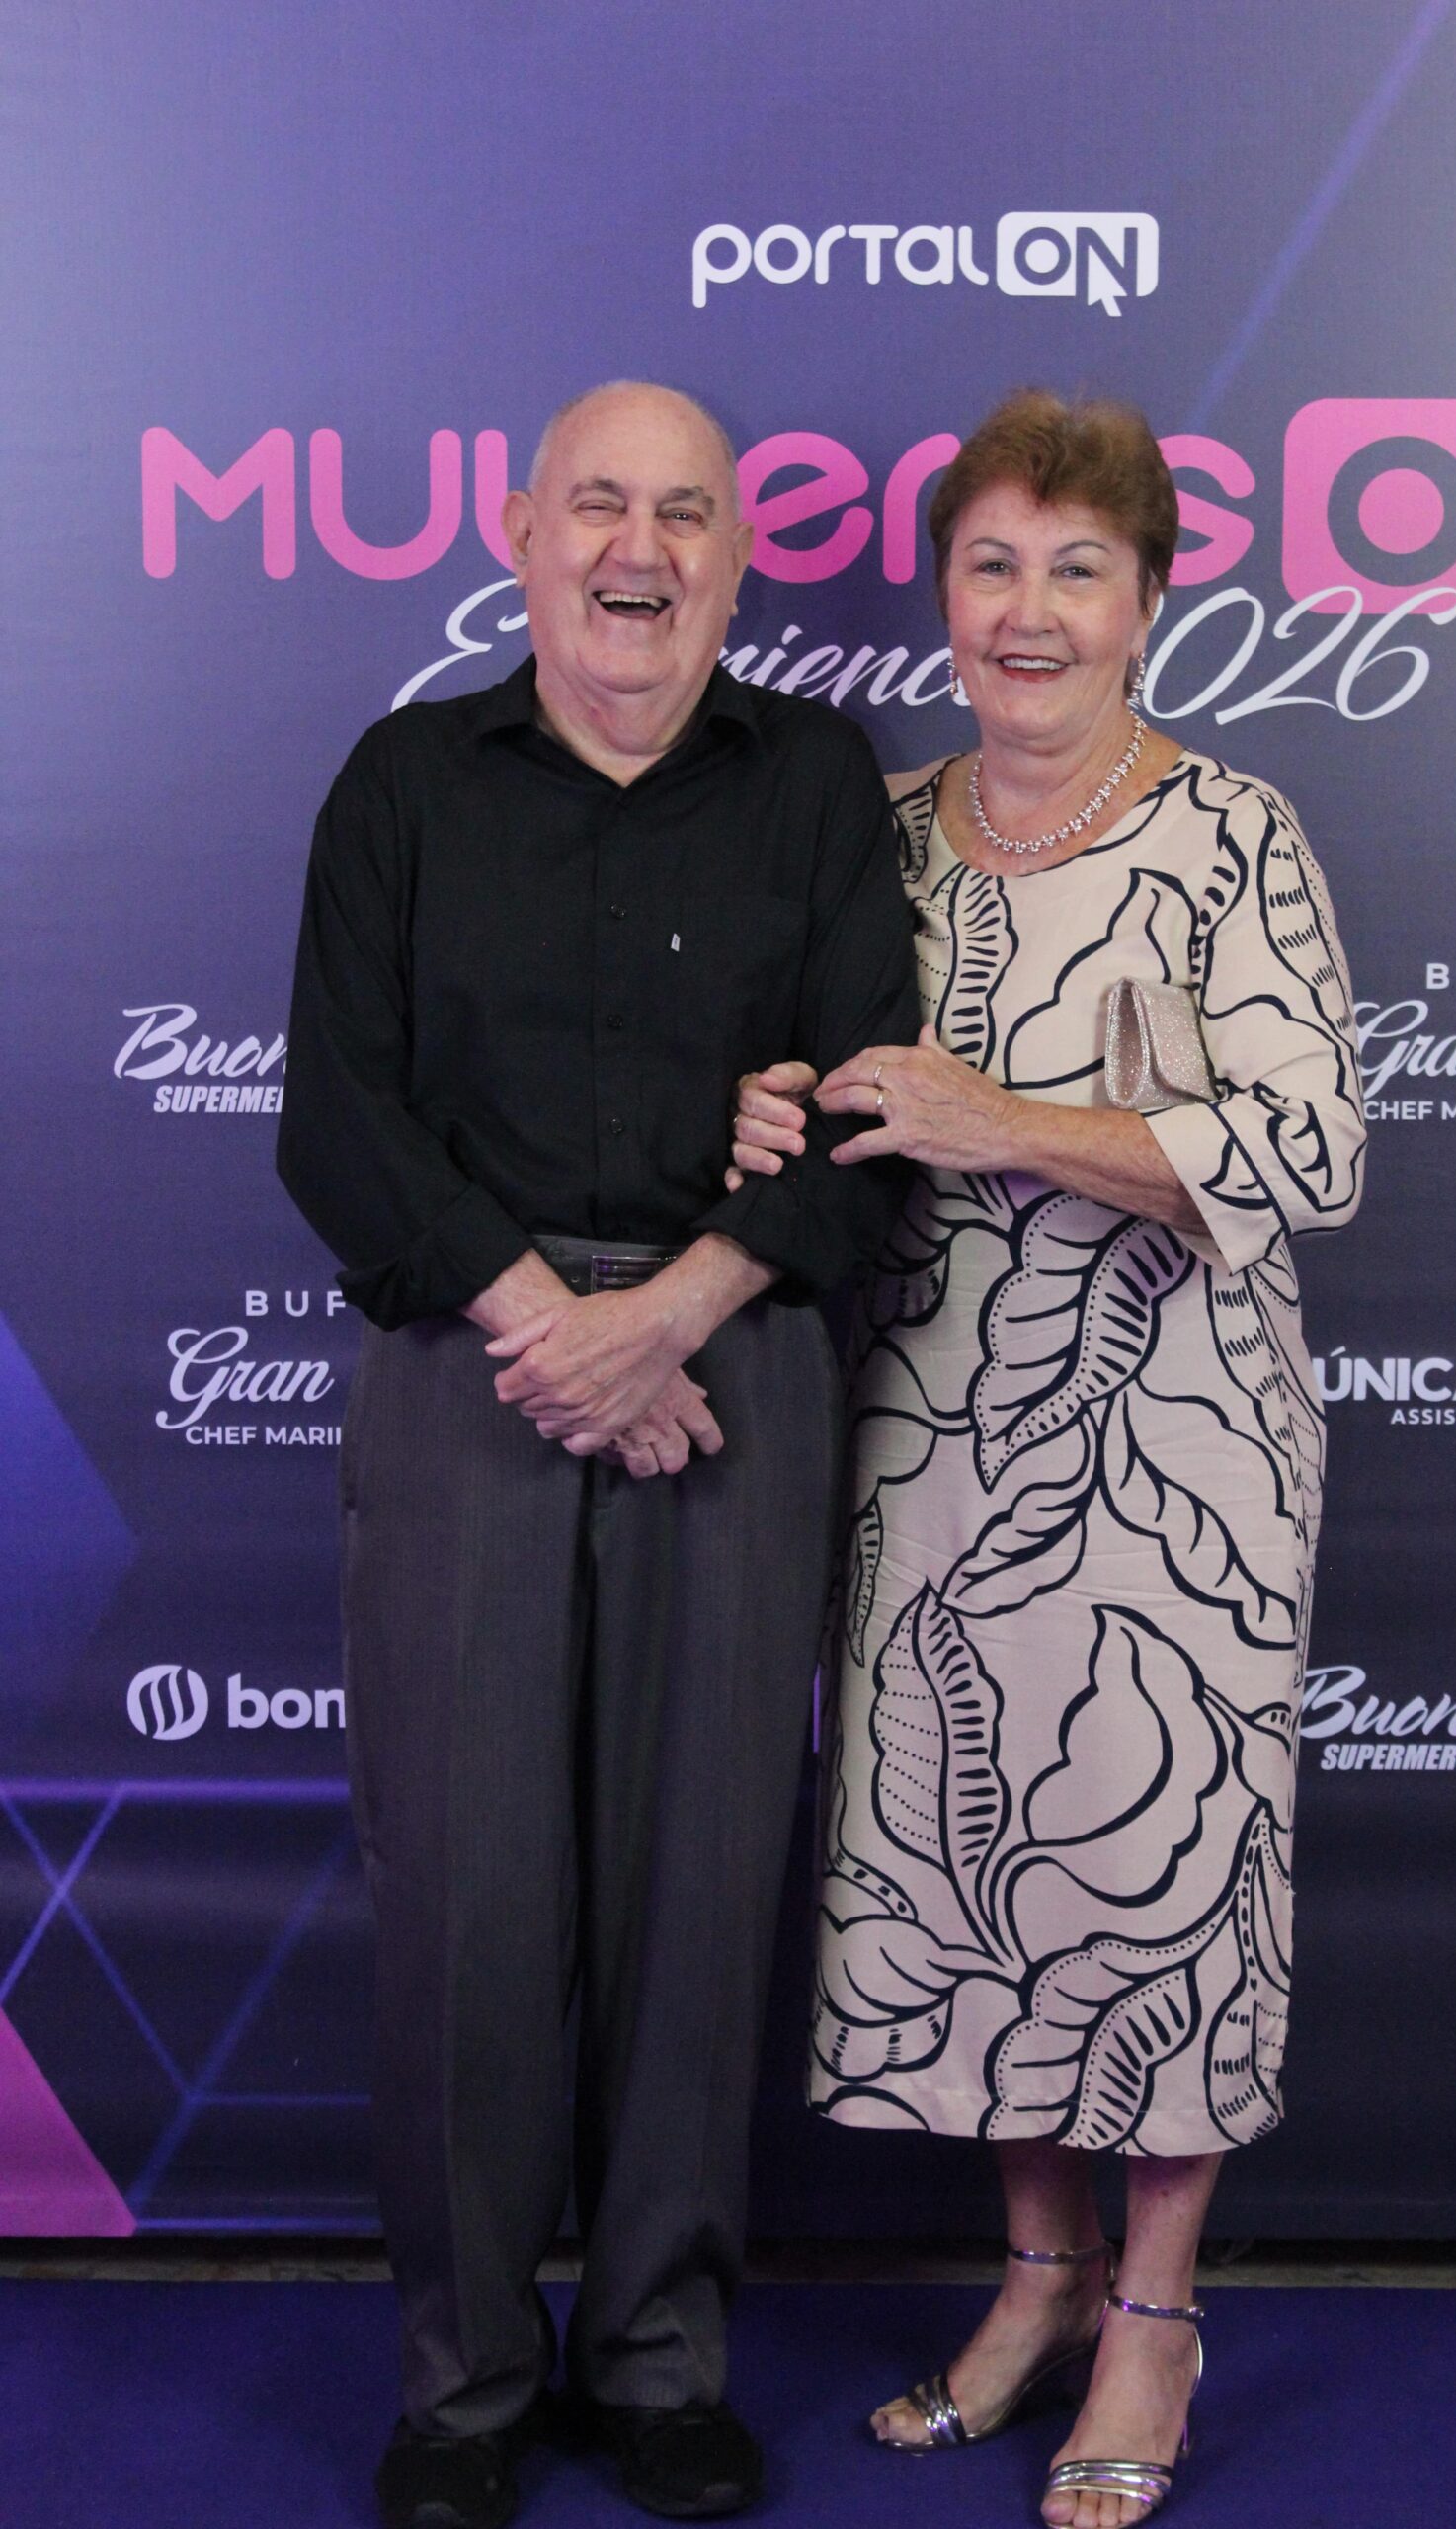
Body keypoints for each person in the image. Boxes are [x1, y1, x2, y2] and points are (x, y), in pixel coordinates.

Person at [278, 380, 918, 2529]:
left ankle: (657, 2358)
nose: (640, 552)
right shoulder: (404, 780)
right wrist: (559, 1330)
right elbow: (336, 1118)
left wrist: (666, 1315)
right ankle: (465, 2384)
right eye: (601, 507)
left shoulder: (814, 781)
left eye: (687, 514)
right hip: (475, 1370)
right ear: (522, 530)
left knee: (698, 1886)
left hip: (728, 1375)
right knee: (467, 1898)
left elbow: (866, 1119)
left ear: (738, 553)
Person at [729, 390, 1366, 2529]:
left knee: (1161, 1853)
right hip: (924, 1429)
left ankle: (1155, 2312)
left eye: (1076, 568)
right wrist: (764, 1112)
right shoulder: (875, 829)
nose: (1028, 609)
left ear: (1147, 599)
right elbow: (808, 1099)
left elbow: (1309, 1150)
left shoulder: (1234, 833)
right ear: (941, 593)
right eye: (991, 563)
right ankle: (1034, 2273)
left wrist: (1003, 1121)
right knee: (969, 1849)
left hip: (1185, 1445)